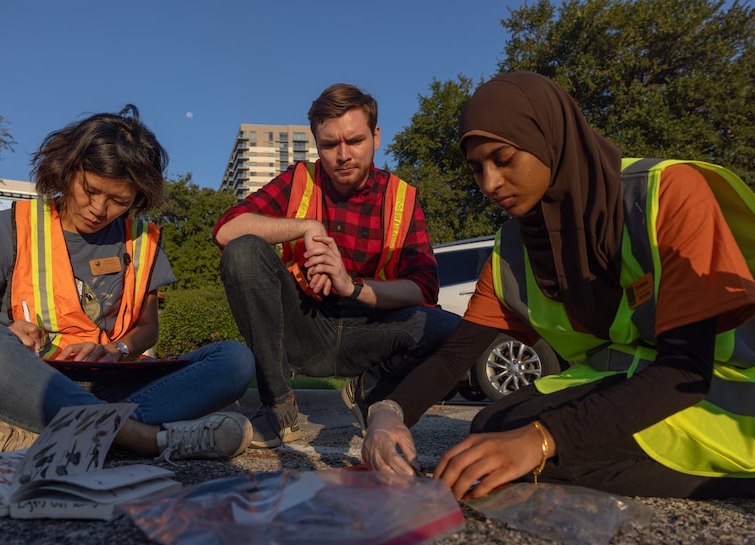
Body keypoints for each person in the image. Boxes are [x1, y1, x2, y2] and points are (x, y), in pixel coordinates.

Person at [362, 72, 755, 499]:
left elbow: (685, 370)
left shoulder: (669, 193)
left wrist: (541, 439)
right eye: (477, 169)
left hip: (721, 394)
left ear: (550, 138)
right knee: (492, 430)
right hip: (634, 382)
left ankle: (733, 485)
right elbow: (457, 354)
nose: (489, 184)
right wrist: (387, 414)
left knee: (540, 453)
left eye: (504, 159)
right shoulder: (514, 245)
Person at [0, 105, 255, 463]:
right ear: (67, 171)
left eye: (119, 201)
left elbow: (147, 329)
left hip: (113, 381)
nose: (99, 209)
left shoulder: (144, 241)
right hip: (26, 384)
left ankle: (36, 437)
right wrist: (9, 334)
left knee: (234, 360)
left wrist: (117, 349)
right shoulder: (4, 229)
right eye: (90, 190)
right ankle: (144, 438)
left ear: (138, 197)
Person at [213, 83, 460, 448]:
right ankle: (278, 409)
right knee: (243, 250)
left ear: (376, 136)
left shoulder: (403, 197)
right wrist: (306, 227)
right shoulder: (300, 178)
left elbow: (423, 288)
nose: (343, 155)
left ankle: (368, 393)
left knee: (452, 330)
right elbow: (226, 230)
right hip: (304, 326)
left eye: (355, 141)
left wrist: (351, 286)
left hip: (370, 329)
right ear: (316, 145)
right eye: (329, 145)